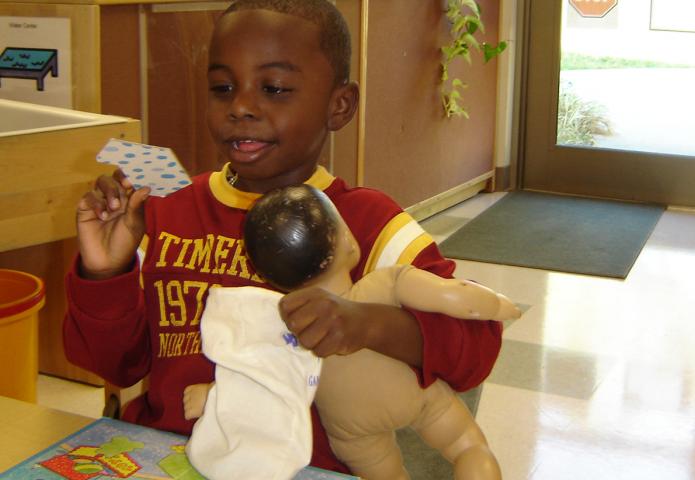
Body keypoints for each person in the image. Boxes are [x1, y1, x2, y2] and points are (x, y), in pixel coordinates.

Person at [63, 0, 502, 475]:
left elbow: (476, 349)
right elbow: (115, 367)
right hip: (168, 456)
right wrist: (105, 272)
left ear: (340, 105)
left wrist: (366, 323)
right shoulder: (167, 210)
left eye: (274, 88)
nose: (241, 107)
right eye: (222, 87)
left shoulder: (368, 223)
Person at [184, 184, 518, 479]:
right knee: (467, 447)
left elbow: (258, 374)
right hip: (414, 396)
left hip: (350, 432)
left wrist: (211, 395)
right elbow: (454, 295)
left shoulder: (289, 326)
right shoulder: (384, 282)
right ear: (343, 239)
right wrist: (498, 305)